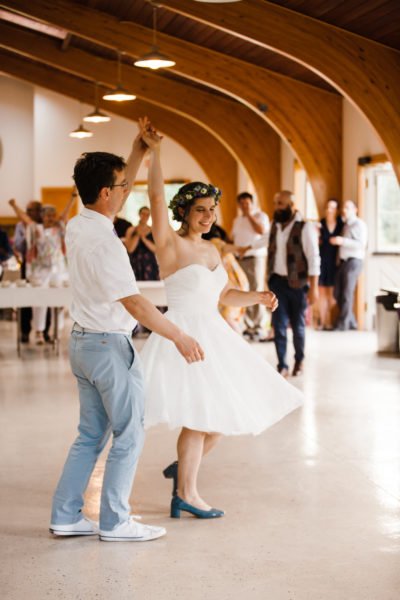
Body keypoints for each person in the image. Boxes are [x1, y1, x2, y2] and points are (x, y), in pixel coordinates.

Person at [139, 121, 303, 520]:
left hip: (214, 334)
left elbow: (224, 294)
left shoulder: (213, 249)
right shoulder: (170, 243)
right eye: (200, 210)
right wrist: (154, 153)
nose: (209, 217)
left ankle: (183, 473)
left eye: (212, 210)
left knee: (221, 417)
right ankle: (187, 493)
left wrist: (258, 298)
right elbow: (157, 197)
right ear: (184, 212)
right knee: (199, 418)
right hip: (183, 334)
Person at [49, 130, 204, 543]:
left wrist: (136, 152)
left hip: (82, 343)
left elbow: (117, 186)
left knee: (90, 435)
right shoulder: (106, 242)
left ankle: (65, 515)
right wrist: (179, 336)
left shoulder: (79, 225)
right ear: (105, 193)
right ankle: (116, 521)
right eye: (121, 186)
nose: (126, 190)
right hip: (107, 347)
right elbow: (135, 304)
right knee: (130, 431)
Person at [266, 191, 320, 378]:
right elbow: (263, 241)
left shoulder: (305, 227)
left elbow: (314, 258)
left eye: (280, 203)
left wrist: (314, 289)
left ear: (291, 205)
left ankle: (299, 360)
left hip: (298, 284)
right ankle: (282, 364)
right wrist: (244, 248)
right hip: (277, 283)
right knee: (278, 326)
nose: (277, 207)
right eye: (275, 203)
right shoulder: (274, 225)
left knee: (298, 326)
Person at [9, 195, 76, 344]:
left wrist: (72, 198)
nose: (50, 218)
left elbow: (65, 213)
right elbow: (24, 218)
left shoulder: (59, 228)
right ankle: (39, 332)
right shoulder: (36, 228)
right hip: (41, 271)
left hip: (58, 270)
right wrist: (14, 206)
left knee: (59, 303)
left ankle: (55, 333)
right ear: (42, 216)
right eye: (47, 215)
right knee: (40, 302)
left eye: (53, 215)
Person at [231, 192, 270, 341]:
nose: (244, 206)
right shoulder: (237, 220)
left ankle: (259, 326)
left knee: (256, 289)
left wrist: (249, 215)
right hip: (240, 258)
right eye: (242, 204)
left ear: (252, 203)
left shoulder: (261, 216)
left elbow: (261, 231)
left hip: (255, 258)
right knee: (244, 291)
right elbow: (234, 237)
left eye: (247, 203)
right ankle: (248, 325)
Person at [330, 200, 368, 331]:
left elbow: (361, 244)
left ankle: (343, 324)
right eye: (343, 208)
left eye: (347, 207)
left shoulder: (359, 225)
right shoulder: (346, 225)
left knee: (347, 293)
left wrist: (342, 241)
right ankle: (351, 321)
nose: (344, 210)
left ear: (355, 209)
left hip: (354, 261)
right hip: (344, 262)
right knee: (338, 293)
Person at [12, 200, 43, 343]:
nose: (29, 213)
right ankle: (25, 332)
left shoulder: (44, 226)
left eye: (32, 210)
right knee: (25, 298)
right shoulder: (21, 226)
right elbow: (18, 245)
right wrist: (29, 237)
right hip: (28, 264)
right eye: (27, 210)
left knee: (44, 299)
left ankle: (44, 332)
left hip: (43, 266)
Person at [318, 198, 343, 330]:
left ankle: (331, 320)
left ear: (337, 210)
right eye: (328, 207)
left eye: (333, 207)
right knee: (321, 294)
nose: (330, 210)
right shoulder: (321, 223)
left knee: (332, 295)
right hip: (322, 261)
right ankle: (323, 322)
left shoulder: (340, 224)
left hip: (335, 263)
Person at [125, 206, 159, 281]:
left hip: (149, 263)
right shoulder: (131, 230)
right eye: (143, 214)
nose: (145, 216)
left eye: (147, 214)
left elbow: (156, 249)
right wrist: (138, 235)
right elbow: (130, 249)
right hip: (135, 263)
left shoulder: (153, 230)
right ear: (139, 214)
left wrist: (144, 239)